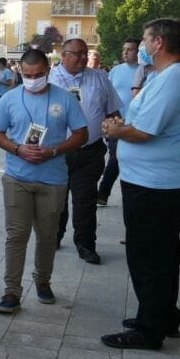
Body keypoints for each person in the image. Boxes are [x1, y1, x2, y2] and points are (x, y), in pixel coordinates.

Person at [101, 18, 180, 350]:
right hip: (157, 181)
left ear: (159, 42)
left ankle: (150, 330)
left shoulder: (174, 78)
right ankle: (162, 314)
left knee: (147, 255)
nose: (143, 47)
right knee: (163, 252)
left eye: (147, 41)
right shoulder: (166, 77)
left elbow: (146, 132)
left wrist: (116, 130)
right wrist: (125, 125)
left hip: (161, 184)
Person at [0, 49, 88, 312]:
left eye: (39, 74)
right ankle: (11, 291)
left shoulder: (64, 99)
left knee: (46, 235)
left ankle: (43, 281)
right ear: (21, 71)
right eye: (29, 75)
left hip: (52, 179)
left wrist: (54, 150)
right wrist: (17, 148)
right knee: (16, 235)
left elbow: (81, 134)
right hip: (17, 178)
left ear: (48, 71)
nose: (34, 79)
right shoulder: (9, 99)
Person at [49, 38, 121, 264]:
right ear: (63, 55)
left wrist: (114, 127)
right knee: (56, 200)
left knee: (85, 201)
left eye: (84, 53)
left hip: (89, 152)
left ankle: (86, 245)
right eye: (76, 53)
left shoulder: (99, 78)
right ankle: (54, 238)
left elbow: (113, 111)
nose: (82, 57)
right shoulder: (49, 79)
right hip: (58, 152)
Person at [98, 38, 141, 205]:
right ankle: (103, 194)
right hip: (117, 122)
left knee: (123, 158)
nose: (125, 52)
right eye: (124, 49)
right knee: (116, 156)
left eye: (130, 49)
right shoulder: (116, 71)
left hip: (137, 123)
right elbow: (107, 96)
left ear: (138, 52)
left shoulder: (146, 71)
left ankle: (104, 193)